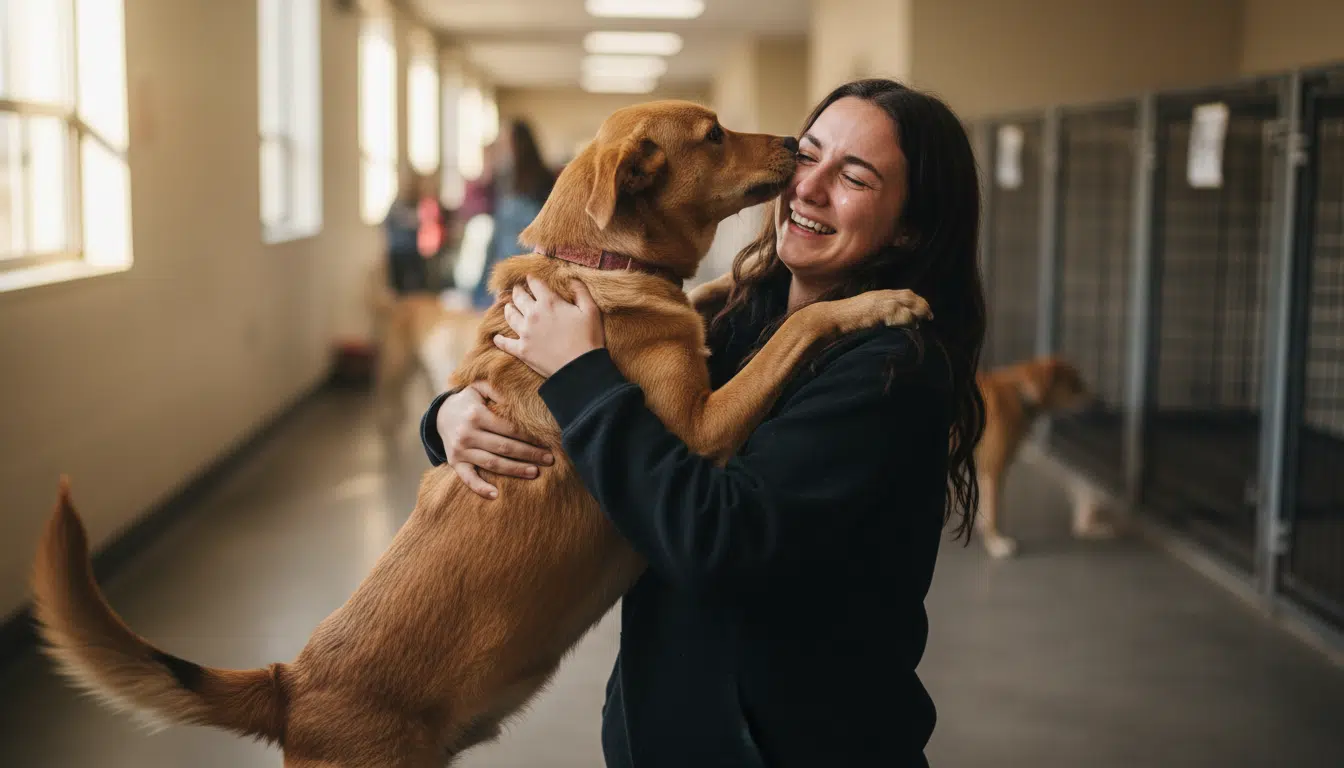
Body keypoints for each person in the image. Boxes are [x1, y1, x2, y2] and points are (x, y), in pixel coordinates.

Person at [421, 79, 986, 767]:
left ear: (909, 226)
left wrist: (580, 375)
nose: (806, 187)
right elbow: (594, 447)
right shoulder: (739, 316)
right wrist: (450, 416)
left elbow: (713, 533)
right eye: (808, 155)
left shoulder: (893, 370)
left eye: (855, 178)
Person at [471, 119, 556, 310]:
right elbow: (496, 235)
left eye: (504, 143)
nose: (501, 149)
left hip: (531, 275)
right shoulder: (502, 181)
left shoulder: (542, 180)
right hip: (504, 272)